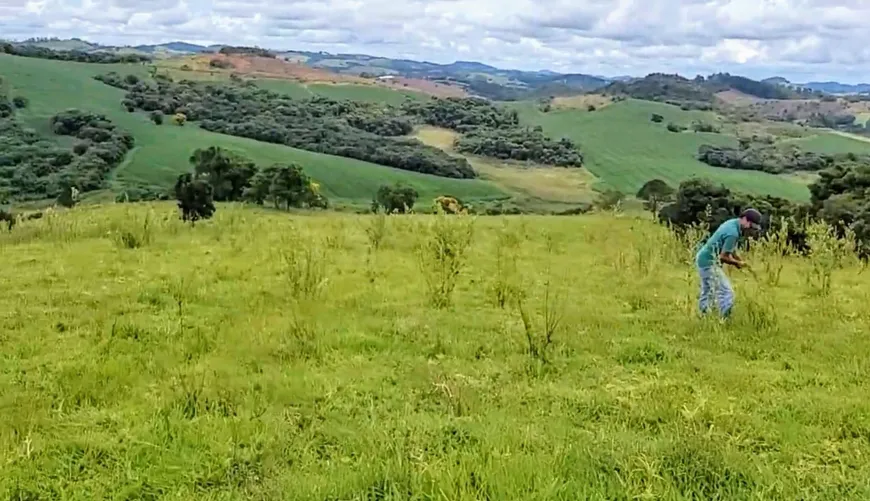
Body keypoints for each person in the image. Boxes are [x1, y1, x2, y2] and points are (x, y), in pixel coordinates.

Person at [694, 208, 763, 318]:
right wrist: (737, 263)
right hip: (709, 262)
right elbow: (724, 256)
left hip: (702, 258)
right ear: (744, 219)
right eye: (750, 225)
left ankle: (704, 317)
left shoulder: (732, 223)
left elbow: (729, 249)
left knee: (708, 291)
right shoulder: (733, 233)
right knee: (726, 292)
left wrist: (738, 260)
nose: (751, 229)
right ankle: (724, 319)